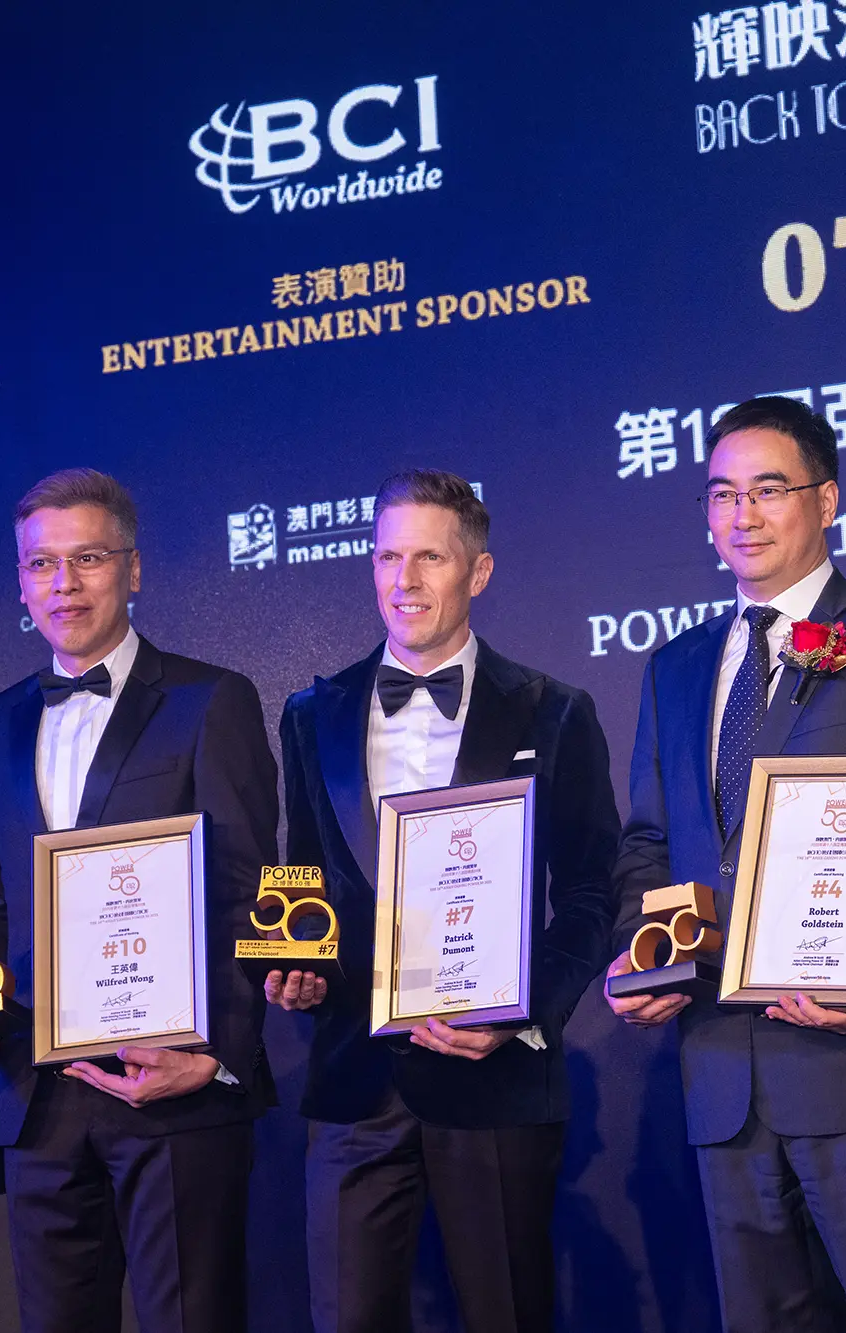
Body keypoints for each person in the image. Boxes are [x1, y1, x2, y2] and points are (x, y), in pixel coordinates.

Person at [605, 395, 846, 1333]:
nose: (743, 514)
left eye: (768, 489)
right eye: (722, 493)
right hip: (723, 1079)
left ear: (827, 499)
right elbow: (650, 842)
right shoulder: (676, 665)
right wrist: (643, 955)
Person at [271, 469, 620, 1333]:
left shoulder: (555, 711)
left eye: (430, 556)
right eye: (388, 556)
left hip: (495, 1075)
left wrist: (522, 1009)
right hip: (354, 1084)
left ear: (479, 571)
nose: (405, 578)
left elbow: (590, 892)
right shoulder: (311, 715)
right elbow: (306, 884)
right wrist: (298, 970)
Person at [0, 469, 277, 1333]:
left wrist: (215, 1053)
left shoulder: (210, 700)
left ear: (133, 569)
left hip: (174, 1083)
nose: (64, 583)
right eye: (42, 564)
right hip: (39, 1094)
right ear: (21, 582)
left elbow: (248, 891)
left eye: (88, 558)